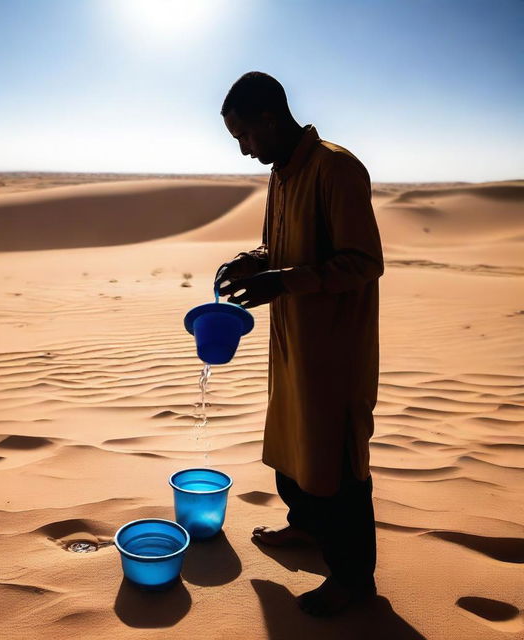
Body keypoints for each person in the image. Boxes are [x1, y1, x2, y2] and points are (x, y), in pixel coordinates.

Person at [215, 71, 384, 617]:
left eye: (245, 136)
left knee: (335, 464)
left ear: (269, 118)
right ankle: (305, 528)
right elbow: (283, 245)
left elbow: (363, 262)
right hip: (292, 342)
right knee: (291, 444)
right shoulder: (282, 173)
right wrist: (256, 260)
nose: (244, 151)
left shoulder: (336, 168)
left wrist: (283, 280)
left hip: (334, 352)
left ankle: (355, 582)